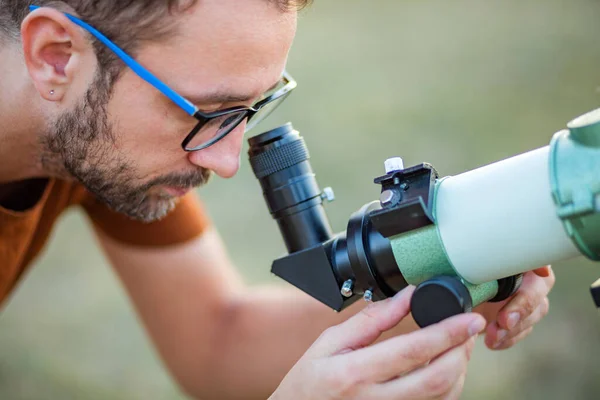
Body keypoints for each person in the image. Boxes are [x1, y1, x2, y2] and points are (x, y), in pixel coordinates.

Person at [0, 1, 555, 399]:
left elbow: (217, 342)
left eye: (249, 111)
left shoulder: (89, 138)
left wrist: (460, 267)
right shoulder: (103, 135)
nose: (224, 160)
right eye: (208, 114)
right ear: (54, 56)